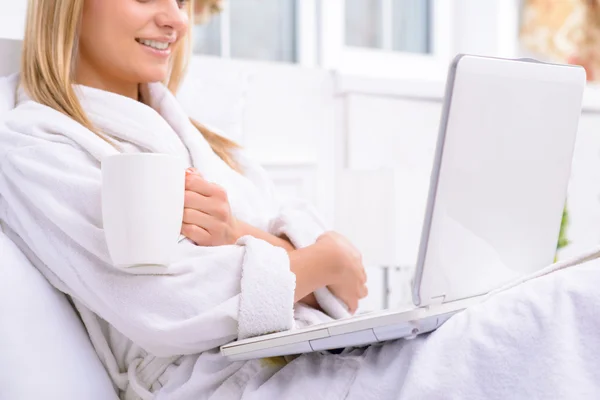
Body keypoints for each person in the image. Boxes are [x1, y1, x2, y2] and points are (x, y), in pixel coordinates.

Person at [2, 1, 600, 399]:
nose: (175, 19)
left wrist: (241, 234)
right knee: (567, 311)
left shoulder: (205, 142)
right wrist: (313, 262)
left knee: (564, 298)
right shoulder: (39, 140)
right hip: (233, 388)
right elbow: (168, 307)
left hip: (307, 360)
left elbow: (347, 282)